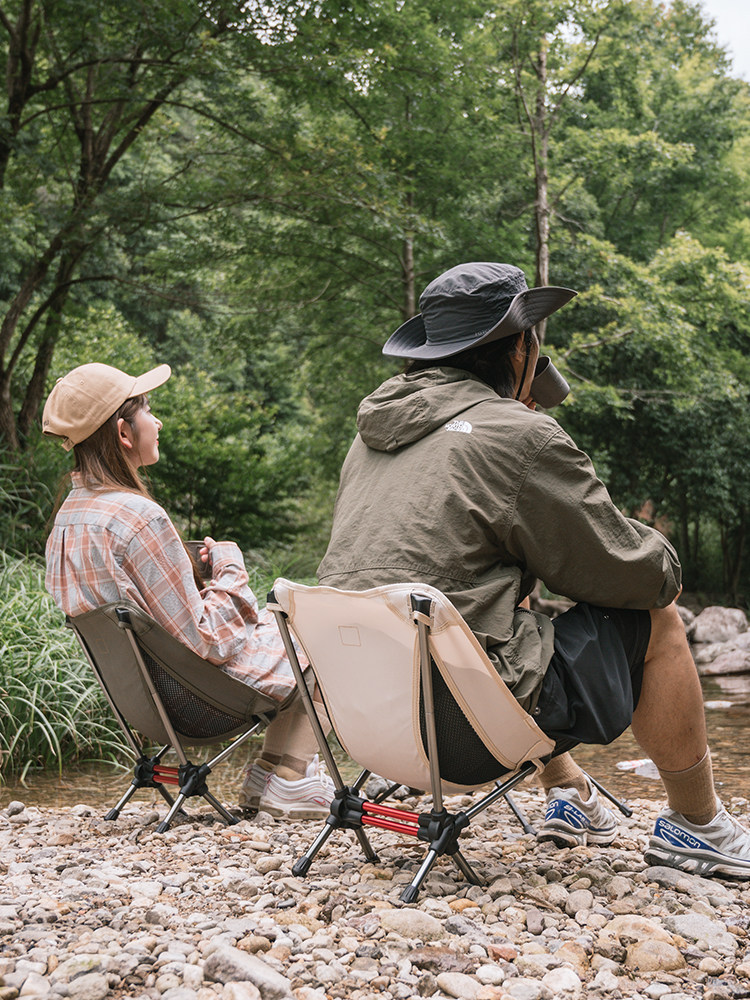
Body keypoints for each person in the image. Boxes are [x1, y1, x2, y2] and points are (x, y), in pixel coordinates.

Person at [317, 260, 750, 878]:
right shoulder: (517, 435)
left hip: (368, 724)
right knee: (659, 621)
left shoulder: (369, 440)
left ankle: (569, 791)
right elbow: (638, 576)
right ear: (521, 347)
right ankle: (699, 824)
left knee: (503, 605)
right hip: (462, 736)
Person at [43, 361, 334, 820]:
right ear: (123, 432)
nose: (157, 422)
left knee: (288, 629)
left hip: (143, 704)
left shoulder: (69, 518)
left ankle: (266, 776)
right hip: (195, 704)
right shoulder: (139, 517)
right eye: (148, 411)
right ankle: (292, 777)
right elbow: (208, 640)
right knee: (324, 633)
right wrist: (230, 565)